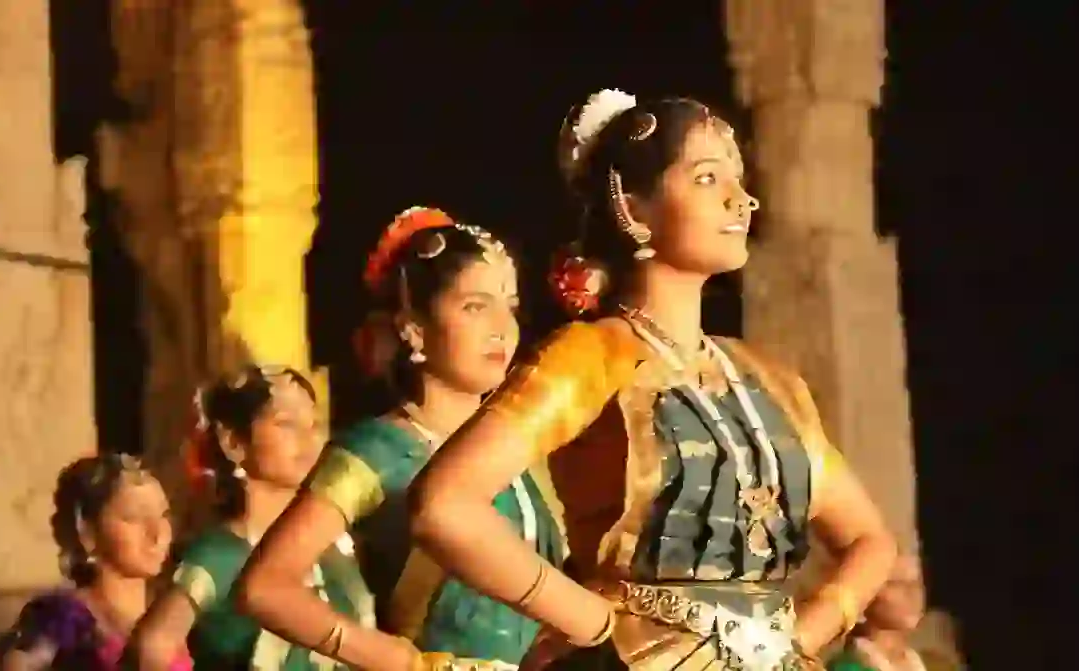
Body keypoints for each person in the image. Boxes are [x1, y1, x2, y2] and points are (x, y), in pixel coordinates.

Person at [406, 90, 899, 669]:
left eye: (738, 181)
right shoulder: (590, 355)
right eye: (708, 178)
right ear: (634, 209)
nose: (741, 201)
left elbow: (871, 542)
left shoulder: (768, 378)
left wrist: (800, 638)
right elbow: (443, 505)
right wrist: (595, 622)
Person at [236, 207, 564, 670]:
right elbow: (265, 586)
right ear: (413, 327)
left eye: (507, 305)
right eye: (474, 306)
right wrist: (389, 657)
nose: (501, 328)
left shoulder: (524, 446)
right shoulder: (378, 449)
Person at [123, 365, 369, 669]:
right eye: (286, 424)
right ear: (233, 442)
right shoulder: (224, 553)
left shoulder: (335, 547)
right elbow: (153, 645)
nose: (308, 439)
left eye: (315, 425)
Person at [0, 453, 189, 671]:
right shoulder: (65, 619)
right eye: (133, 517)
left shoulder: (178, 610)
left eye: (164, 515)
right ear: (87, 532)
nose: (157, 533)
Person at [829, 555, 941, 671]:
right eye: (896, 583)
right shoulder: (847, 667)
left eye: (917, 583)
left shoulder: (937, 664)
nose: (912, 593)